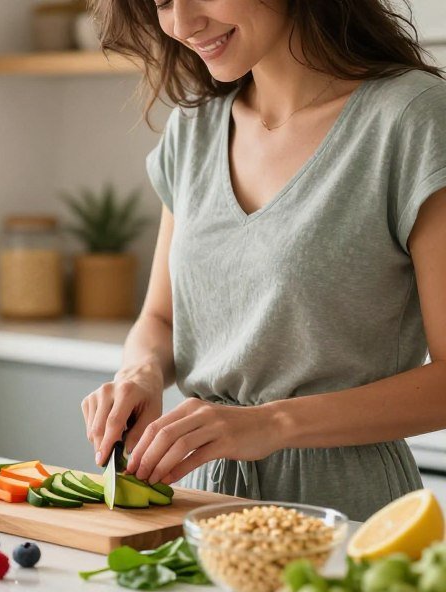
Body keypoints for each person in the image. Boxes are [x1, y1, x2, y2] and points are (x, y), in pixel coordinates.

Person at [81, 0, 446, 520]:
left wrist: (271, 424)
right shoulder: (194, 129)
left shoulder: (413, 118)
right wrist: (140, 374)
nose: (183, 24)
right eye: (161, 1)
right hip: (196, 501)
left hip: (347, 511)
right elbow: (161, 318)